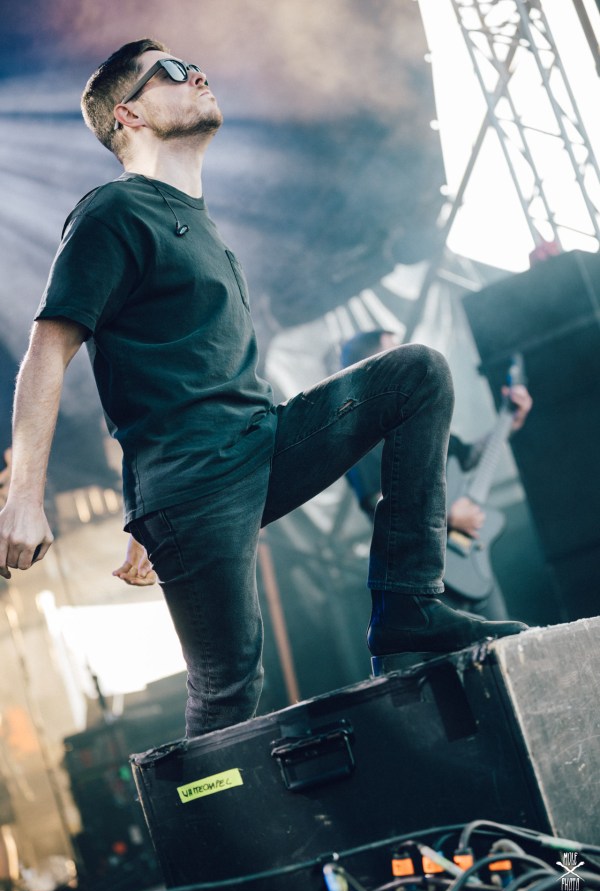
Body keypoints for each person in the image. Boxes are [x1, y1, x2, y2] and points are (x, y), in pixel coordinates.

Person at [0, 39, 526, 738]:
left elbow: (150, 370)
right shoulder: (112, 213)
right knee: (230, 689)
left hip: (261, 443)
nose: (197, 73)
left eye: (194, 65)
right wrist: (26, 497)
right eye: (173, 72)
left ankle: (410, 607)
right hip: (196, 485)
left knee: (415, 374)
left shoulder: (200, 224)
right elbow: (48, 351)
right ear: (129, 114)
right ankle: (202, 811)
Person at [341, 330, 533, 618]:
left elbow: (467, 456)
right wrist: (447, 518)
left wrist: (509, 420)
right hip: (421, 575)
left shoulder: (423, 421)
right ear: (377, 366)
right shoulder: (361, 439)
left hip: (466, 558)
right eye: (399, 351)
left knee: (505, 638)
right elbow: (384, 508)